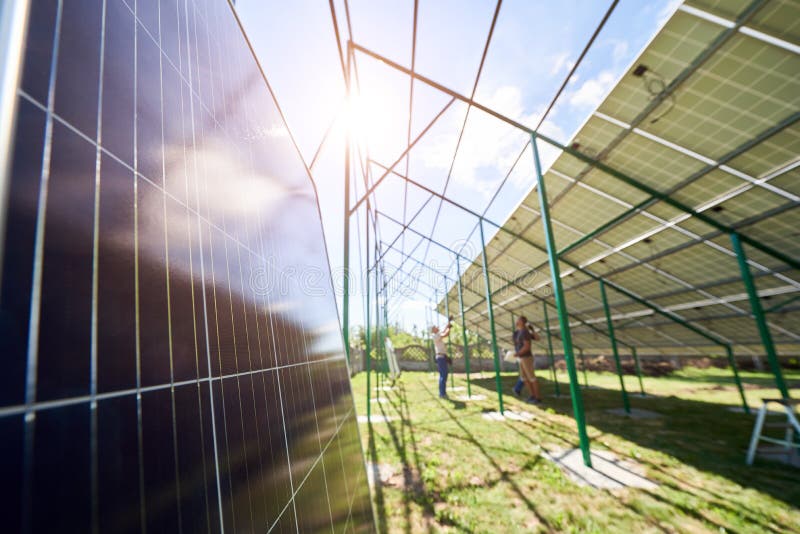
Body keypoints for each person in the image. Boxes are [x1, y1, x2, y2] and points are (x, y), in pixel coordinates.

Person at [513, 316, 541, 404]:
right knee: (524, 378)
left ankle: (537, 398)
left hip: (526, 357)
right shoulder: (518, 332)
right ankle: (532, 395)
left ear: (522, 322)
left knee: (531, 378)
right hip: (521, 358)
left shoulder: (525, 332)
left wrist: (518, 354)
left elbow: (527, 346)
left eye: (518, 320)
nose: (516, 321)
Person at [431, 317, 452, 398]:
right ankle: (442, 394)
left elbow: (443, 331)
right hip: (441, 358)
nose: (437, 327)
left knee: (443, 375)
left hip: (442, 357)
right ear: (433, 330)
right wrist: (449, 328)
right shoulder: (435, 336)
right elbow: (446, 334)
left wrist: (448, 324)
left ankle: (442, 393)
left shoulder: (437, 335)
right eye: (435, 327)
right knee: (443, 375)